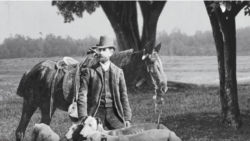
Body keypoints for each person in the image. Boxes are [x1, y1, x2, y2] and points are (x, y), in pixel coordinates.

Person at [77, 36, 132, 129]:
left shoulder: (118, 72)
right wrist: (83, 117)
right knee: (89, 137)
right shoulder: (90, 71)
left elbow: (124, 96)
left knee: (122, 136)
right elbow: (82, 95)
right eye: (99, 50)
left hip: (115, 112)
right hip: (96, 112)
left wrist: (127, 118)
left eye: (104, 50)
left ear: (111, 52)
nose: (100, 52)